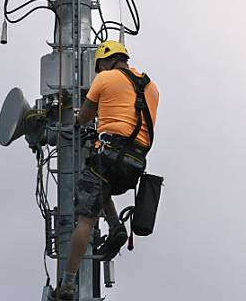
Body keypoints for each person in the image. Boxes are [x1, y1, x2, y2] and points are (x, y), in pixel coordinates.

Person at [56, 40, 160, 301]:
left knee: (86, 219)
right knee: (102, 186)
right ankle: (115, 227)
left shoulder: (105, 78)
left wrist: (76, 124)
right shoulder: (151, 86)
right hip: (135, 163)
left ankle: (68, 284)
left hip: (110, 155)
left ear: (104, 61)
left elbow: (86, 116)